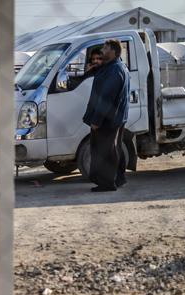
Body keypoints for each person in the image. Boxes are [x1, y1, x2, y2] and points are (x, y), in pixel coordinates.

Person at [83, 38, 130, 192]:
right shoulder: (112, 67)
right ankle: (119, 178)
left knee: (104, 151)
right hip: (114, 118)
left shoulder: (115, 70)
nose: (102, 49)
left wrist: (96, 120)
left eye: (105, 47)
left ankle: (106, 183)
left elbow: (106, 97)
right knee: (113, 149)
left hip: (107, 119)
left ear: (113, 51)